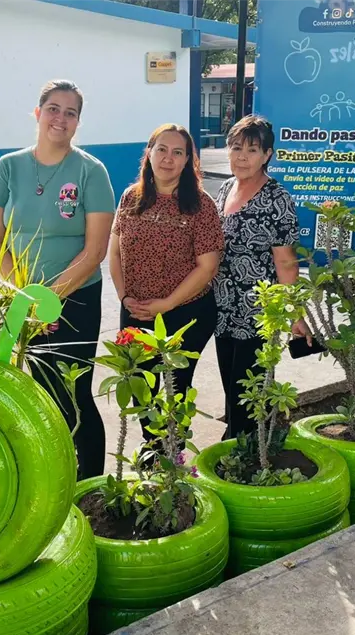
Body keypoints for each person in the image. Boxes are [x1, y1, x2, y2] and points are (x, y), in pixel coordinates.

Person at [0, 80, 115, 481]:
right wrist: (28, 300)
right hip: (22, 300)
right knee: (39, 393)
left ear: (78, 122)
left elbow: (95, 250)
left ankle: (89, 484)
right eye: (54, 109)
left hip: (76, 298)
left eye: (70, 112)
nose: (61, 118)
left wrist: (50, 301)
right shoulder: (8, 167)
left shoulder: (91, 171)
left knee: (75, 394)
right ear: (38, 113)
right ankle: (53, 477)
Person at [109, 123, 224, 452]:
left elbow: (207, 267)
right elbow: (114, 252)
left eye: (177, 152)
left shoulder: (200, 205)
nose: (168, 159)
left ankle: (174, 454)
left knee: (176, 386)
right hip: (135, 310)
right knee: (139, 385)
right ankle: (153, 449)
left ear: (188, 160)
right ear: (149, 153)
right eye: (161, 149)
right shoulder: (131, 198)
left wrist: (168, 303)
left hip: (186, 312)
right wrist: (124, 297)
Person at [213, 114, 311, 441]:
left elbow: (286, 262)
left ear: (267, 155)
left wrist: (295, 313)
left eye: (252, 150)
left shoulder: (277, 199)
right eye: (236, 147)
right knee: (231, 386)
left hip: (258, 312)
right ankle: (240, 445)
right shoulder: (225, 189)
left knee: (249, 390)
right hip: (222, 308)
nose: (242, 157)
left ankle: (244, 451)